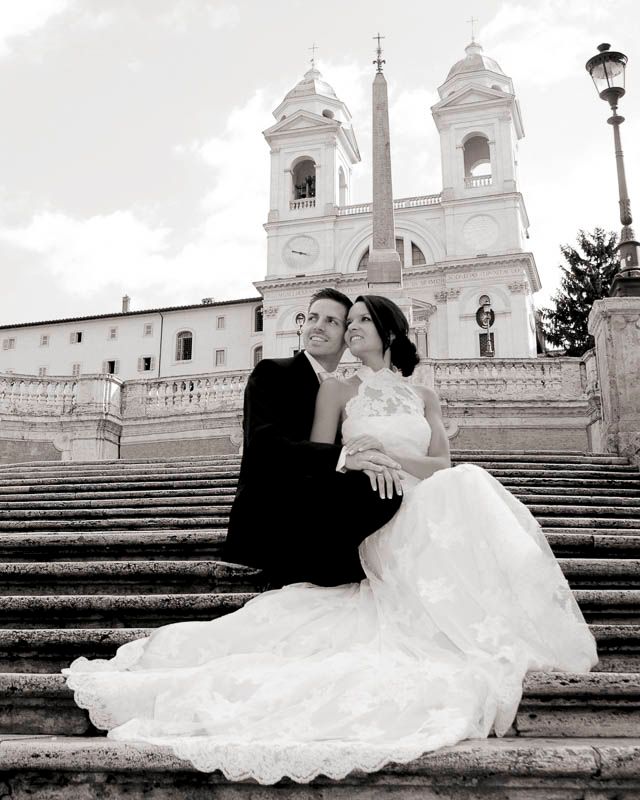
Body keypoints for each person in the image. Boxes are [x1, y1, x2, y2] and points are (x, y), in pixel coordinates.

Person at [63, 294, 598, 785]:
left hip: (419, 496)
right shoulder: (335, 389)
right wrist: (356, 456)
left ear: (389, 332)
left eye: (358, 320)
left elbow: (441, 463)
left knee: (467, 483)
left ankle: (490, 621)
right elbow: (314, 466)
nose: (347, 327)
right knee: (445, 498)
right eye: (345, 320)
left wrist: (388, 457)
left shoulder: (424, 394)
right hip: (367, 509)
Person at [224, 287, 402, 587]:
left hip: (317, 519)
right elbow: (265, 447)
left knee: (385, 489)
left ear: (347, 335)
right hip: (270, 521)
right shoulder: (273, 372)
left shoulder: (346, 391)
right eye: (312, 318)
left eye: (331, 321)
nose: (317, 326)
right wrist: (345, 457)